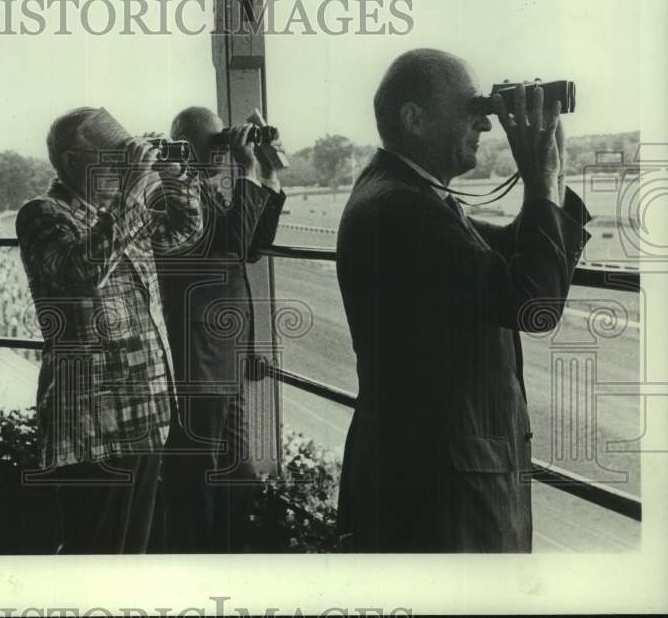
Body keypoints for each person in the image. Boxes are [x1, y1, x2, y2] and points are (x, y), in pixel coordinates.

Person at [334, 48, 591, 552]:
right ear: (415, 119)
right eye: (472, 108)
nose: (486, 124)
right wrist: (537, 179)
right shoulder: (401, 209)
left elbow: (509, 252)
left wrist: (551, 168)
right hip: (442, 501)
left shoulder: (403, 192)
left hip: (426, 481)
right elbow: (532, 301)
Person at [16, 107, 202, 554]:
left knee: (130, 555)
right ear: (74, 162)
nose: (125, 169)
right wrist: (136, 189)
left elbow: (185, 232)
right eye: (115, 157)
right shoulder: (43, 213)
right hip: (92, 424)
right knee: (97, 554)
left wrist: (174, 177)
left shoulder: (118, 213)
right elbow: (83, 270)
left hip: (143, 413)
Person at [155, 107, 286, 553]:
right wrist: (245, 168)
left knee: (237, 472)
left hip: (224, 357)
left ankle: (225, 558)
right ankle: (194, 562)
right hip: (201, 356)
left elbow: (249, 248)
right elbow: (232, 243)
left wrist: (267, 175)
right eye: (211, 143)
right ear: (184, 144)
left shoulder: (204, 191)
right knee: (198, 474)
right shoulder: (172, 194)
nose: (219, 151)